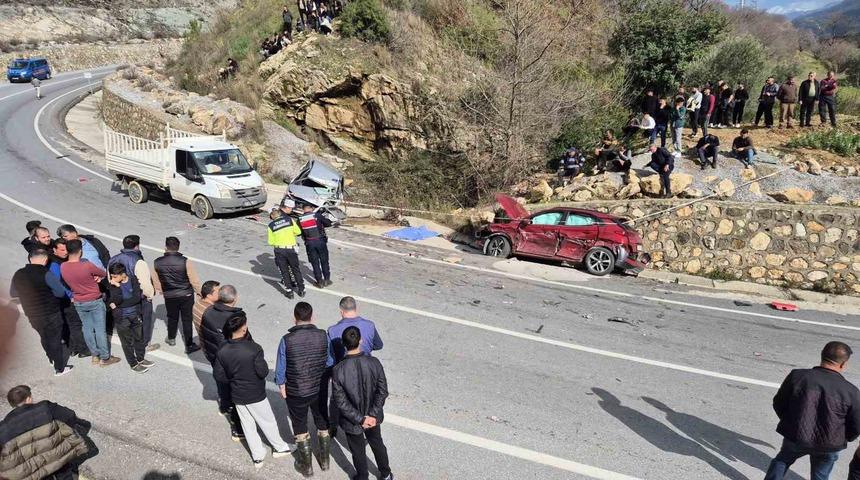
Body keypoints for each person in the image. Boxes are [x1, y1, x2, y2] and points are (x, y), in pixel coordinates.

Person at [764, 341, 860, 480]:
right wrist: (843, 437)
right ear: (843, 364)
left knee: (782, 460)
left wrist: (791, 422)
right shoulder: (851, 391)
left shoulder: (798, 376)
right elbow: (856, 424)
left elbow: (779, 402)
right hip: (830, 443)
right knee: (820, 475)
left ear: (822, 356)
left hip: (797, 435)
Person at [213, 314, 291, 468]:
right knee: (267, 422)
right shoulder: (254, 348)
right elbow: (263, 372)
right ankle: (280, 448)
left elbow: (219, 375)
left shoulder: (222, 350)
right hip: (255, 393)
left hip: (237, 394)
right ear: (243, 330)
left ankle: (257, 456)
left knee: (248, 426)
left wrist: (234, 378)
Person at [276, 302, 334, 475]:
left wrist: (281, 385)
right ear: (312, 317)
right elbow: (330, 361)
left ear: (295, 318)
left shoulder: (286, 340)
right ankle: (325, 461)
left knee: (300, 424)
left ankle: (306, 467)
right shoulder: (323, 335)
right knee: (322, 420)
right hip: (319, 388)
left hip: (296, 391)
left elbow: (281, 368)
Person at [331, 326, 393, 480]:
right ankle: (385, 474)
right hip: (373, 417)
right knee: (377, 444)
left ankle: (363, 476)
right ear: (360, 340)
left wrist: (360, 419)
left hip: (352, 421)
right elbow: (382, 391)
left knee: (357, 450)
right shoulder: (374, 362)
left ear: (344, 345)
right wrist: (371, 415)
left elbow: (341, 401)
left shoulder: (338, 369)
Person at [0, 385, 91, 480]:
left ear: (13, 405)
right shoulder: (46, 408)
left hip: (34, 471)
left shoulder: (3, 428)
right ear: (29, 398)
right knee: (64, 473)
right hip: (58, 457)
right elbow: (70, 416)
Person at [10, 249, 72, 376]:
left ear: (30, 259)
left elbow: (13, 293)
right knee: (55, 339)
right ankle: (59, 368)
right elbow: (60, 293)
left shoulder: (19, 274)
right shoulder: (46, 273)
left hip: (32, 314)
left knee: (44, 336)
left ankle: (50, 358)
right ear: (45, 260)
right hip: (50, 313)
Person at [61, 239, 120, 367]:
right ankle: (105, 357)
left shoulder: (63, 266)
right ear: (80, 251)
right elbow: (103, 272)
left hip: (79, 301)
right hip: (94, 300)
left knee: (87, 328)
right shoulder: (86, 265)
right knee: (99, 329)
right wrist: (96, 277)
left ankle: (94, 355)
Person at [201, 284, 246, 441]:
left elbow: (204, 336)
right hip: (232, 361)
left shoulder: (207, 312)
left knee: (222, 384)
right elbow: (244, 340)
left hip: (215, 357)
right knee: (236, 393)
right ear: (235, 298)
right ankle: (237, 428)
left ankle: (224, 406)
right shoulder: (236, 317)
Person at [109, 235, 158, 352]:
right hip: (137, 297)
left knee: (127, 320)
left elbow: (110, 278)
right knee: (144, 321)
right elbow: (145, 283)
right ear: (137, 246)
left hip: (120, 296)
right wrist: (149, 296)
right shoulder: (138, 261)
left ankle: (130, 341)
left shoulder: (113, 259)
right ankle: (144, 344)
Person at [153, 236, 202, 354]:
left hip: (169, 295)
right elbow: (194, 280)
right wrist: (199, 292)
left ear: (165, 247)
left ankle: (171, 338)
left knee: (172, 317)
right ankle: (189, 345)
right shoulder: (186, 261)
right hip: (186, 294)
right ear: (178, 247)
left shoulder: (157, 262)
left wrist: (160, 289)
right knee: (187, 319)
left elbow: (156, 280)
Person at [107, 263, 153, 373]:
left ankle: (140, 359)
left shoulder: (133, 280)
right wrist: (117, 288)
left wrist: (117, 304)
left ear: (123, 275)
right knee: (127, 342)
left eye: (115, 276)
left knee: (139, 338)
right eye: (111, 276)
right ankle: (133, 364)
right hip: (122, 318)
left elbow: (136, 298)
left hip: (135, 315)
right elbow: (112, 300)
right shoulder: (112, 285)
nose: (113, 279)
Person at [50, 238, 90, 358]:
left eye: (66, 250)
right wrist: (71, 296)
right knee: (75, 324)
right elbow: (58, 284)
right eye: (62, 250)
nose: (65, 252)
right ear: (54, 250)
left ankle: (73, 348)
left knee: (70, 324)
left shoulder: (61, 261)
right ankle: (82, 349)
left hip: (63, 298)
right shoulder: (55, 264)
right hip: (66, 299)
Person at [268, 203, 304, 299]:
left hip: (279, 250)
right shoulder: (289, 220)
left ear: (272, 217)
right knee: (295, 269)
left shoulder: (271, 226)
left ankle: (289, 291)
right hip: (291, 249)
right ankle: (301, 289)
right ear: (279, 214)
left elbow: (271, 242)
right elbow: (298, 232)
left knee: (284, 271)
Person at [299, 203, 334, 289]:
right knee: (324, 261)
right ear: (311, 208)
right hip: (320, 241)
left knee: (315, 262)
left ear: (303, 209)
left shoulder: (299, 219)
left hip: (309, 243)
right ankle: (327, 279)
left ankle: (319, 282)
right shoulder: (317, 215)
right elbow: (328, 223)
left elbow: (299, 232)